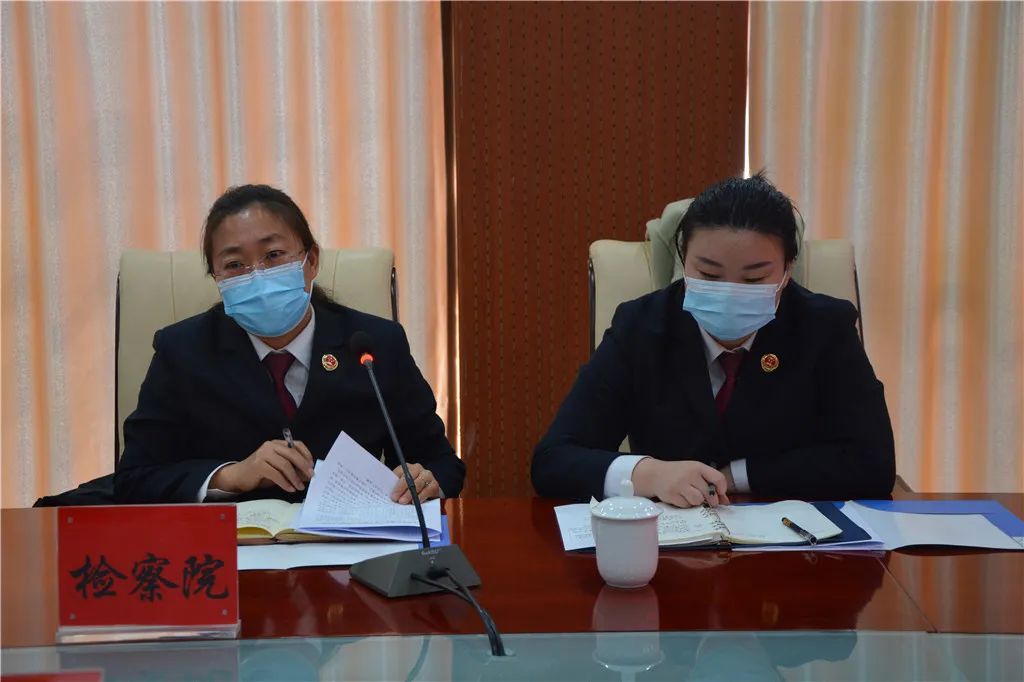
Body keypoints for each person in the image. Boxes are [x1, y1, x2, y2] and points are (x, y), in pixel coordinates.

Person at [532, 173, 895, 505]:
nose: (730, 292)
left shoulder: (825, 328)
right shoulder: (641, 327)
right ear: (684, 261)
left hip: (793, 540)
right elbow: (553, 460)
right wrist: (649, 473)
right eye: (708, 274)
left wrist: (740, 476)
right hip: (667, 540)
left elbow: (873, 464)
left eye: (754, 279)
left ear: (787, 271)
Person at [114, 184, 464, 504]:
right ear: (217, 279)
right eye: (234, 264)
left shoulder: (375, 345)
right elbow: (134, 478)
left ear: (311, 261)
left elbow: (443, 463)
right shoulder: (182, 352)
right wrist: (231, 475)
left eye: (273, 255)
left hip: (351, 544)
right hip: (232, 544)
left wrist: (425, 480)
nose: (257, 275)